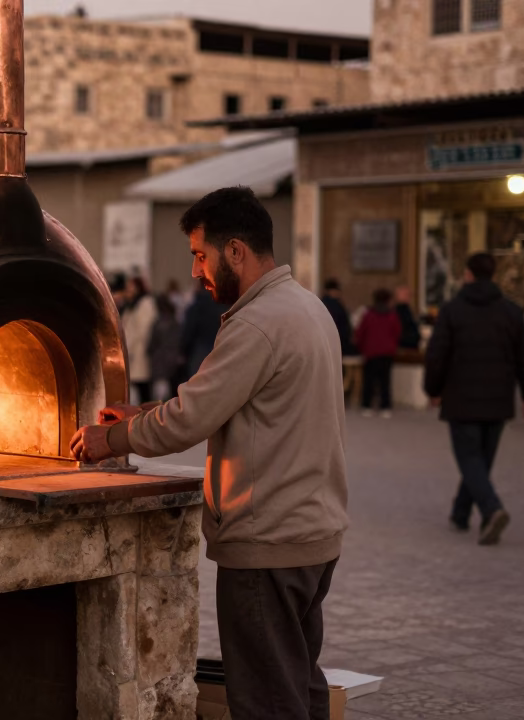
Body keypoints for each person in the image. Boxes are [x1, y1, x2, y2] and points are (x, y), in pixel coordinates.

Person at [71, 187, 348, 720]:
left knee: (268, 700)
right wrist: (144, 412)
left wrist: (113, 440)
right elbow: (227, 401)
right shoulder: (305, 307)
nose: (197, 271)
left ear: (236, 251)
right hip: (313, 534)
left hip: (268, 538)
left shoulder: (255, 323)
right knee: (299, 682)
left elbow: (191, 419)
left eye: (201, 255)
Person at [424, 253, 524, 545]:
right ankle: (460, 514)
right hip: (498, 400)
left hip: (461, 399)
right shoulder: (512, 312)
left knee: (471, 460)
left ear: (469, 274)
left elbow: (437, 355)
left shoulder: (451, 311)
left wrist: (433, 389)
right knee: (480, 461)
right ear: (494, 275)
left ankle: (492, 509)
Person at [355, 288, 402, 418]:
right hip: (387, 352)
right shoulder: (392, 315)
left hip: (371, 352)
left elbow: (360, 333)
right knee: (385, 381)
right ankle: (385, 407)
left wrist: (361, 347)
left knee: (369, 381)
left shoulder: (368, 315)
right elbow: (397, 333)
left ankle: (367, 406)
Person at [122, 276, 158, 404]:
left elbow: (144, 330)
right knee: (137, 386)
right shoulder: (132, 306)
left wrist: (130, 346)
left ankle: (147, 416)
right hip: (133, 352)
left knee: (143, 387)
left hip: (140, 351)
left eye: (131, 288)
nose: (128, 291)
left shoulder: (145, 304)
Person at [180, 287, 227, 381]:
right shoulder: (225, 307)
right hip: (220, 352)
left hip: (199, 353)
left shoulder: (196, 307)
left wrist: (183, 351)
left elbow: (188, 331)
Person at [147, 294, 182, 401]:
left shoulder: (157, 323)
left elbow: (151, 344)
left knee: (159, 395)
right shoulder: (175, 321)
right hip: (172, 361)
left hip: (159, 361)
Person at [321, 279, 357, 357]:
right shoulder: (336, 305)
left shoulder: (321, 303)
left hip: (325, 341)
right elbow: (343, 324)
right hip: (338, 341)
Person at [394, 286, 421, 351]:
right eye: (406, 295)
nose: (409, 297)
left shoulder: (406, 310)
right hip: (404, 345)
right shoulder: (399, 311)